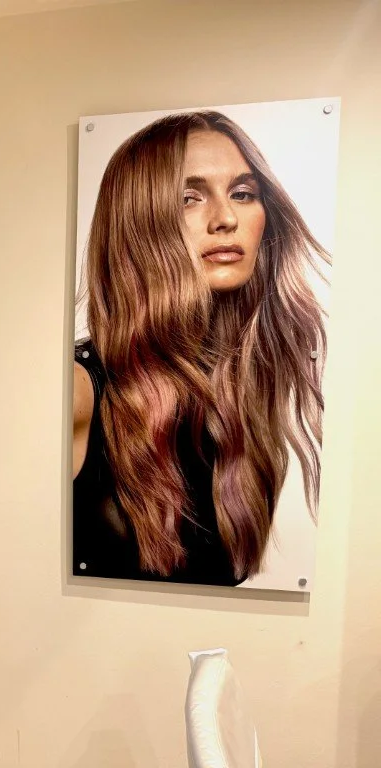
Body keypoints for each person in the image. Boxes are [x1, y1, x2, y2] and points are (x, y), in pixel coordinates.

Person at [72, 111, 328, 586]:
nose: (226, 219)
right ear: (138, 223)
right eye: (189, 198)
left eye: (243, 194)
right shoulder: (78, 389)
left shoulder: (244, 381)